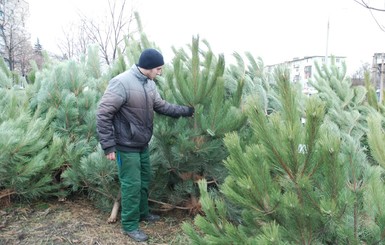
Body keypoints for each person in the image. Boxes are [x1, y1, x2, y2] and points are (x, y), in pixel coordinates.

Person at [96, 48, 194, 242]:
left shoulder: (149, 84)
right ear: (148, 67)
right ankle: (129, 225)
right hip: (125, 145)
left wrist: (186, 111)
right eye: (158, 69)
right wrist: (108, 146)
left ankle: (143, 213)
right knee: (131, 185)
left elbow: (161, 106)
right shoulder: (121, 82)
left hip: (142, 143)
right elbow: (103, 114)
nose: (160, 72)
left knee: (144, 180)